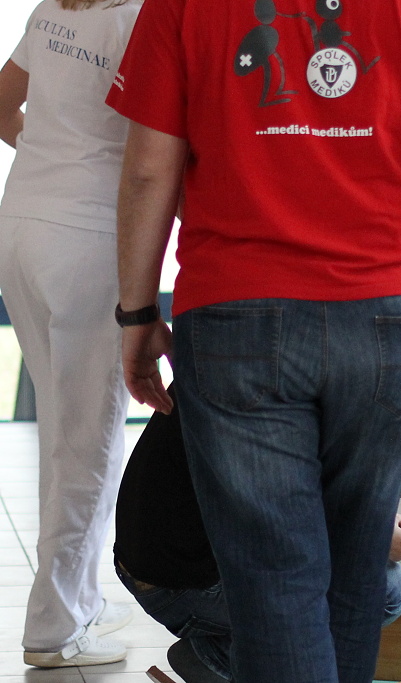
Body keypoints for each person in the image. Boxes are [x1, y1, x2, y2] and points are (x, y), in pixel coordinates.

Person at [105, 1, 401, 680]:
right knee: (357, 570)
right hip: (386, 319)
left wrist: (137, 314)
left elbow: (149, 170)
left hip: (238, 315)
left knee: (275, 577)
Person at [0, 0, 142, 668]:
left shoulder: (53, 8)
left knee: (63, 426)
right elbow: (154, 150)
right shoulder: (139, 17)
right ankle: (56, 628)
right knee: (89, 439)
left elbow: (2, 106)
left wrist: (54, 159)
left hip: (21, 225)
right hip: (87, 239)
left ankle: (75, 596)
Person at [113, 384, 401, 682]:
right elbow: (287, 529)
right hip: (176, 586)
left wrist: (373, 472)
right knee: (384, 589)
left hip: (159, 560)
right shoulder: (268, 396)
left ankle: (231, 650)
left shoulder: (250, 363)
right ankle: (215, 658)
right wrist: (371, 537)